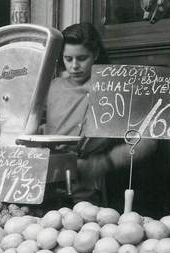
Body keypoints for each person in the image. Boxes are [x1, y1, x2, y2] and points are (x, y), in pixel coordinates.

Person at [44, 22, 157, 209]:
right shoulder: (53, 87)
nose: (74, 66)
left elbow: (148, 140)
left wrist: (105, 162)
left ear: (95, 55)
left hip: (92, 184)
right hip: (51, 181)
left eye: (82, 58)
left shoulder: (114, 88)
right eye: (68, 58)